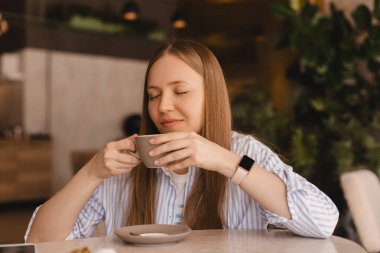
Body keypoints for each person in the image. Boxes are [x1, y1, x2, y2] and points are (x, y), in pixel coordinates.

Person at [25, 39, 339, 242]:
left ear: (211, 96)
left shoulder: (244, 152)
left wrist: (225, 162)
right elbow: (40, 242)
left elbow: (323, 222)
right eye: (153, 95)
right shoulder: (125, 164)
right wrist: (92, 171)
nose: (162, 107)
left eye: (181, 91)